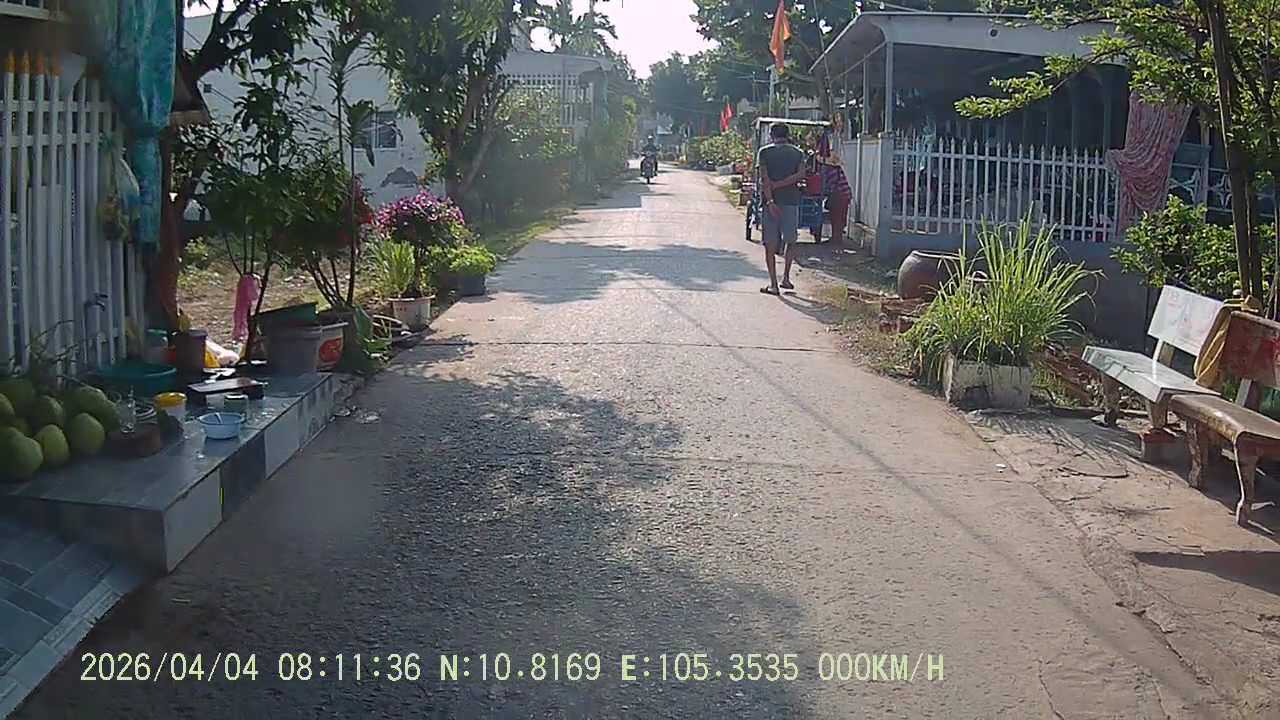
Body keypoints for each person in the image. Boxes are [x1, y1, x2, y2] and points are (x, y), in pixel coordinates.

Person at [757, 123, 806, 295]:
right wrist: (782, 183)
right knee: (790, 240)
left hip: (771, 203)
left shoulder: (764, 152)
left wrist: (770, 200)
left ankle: (773, 284)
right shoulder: (798, 153)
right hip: (791, 201)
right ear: (787, 135)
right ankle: (786, 278)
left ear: (771, 135)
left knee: (770, 244)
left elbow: (764, 179)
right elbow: (801, 175)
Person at [817, 153, 852, 245]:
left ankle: (837, 239)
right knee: (838, 217)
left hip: (840, 195)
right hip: (844, 194)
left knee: (837, 217)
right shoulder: (837, 170)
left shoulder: (831, 171)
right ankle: (836, 238)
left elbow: (827, 185)